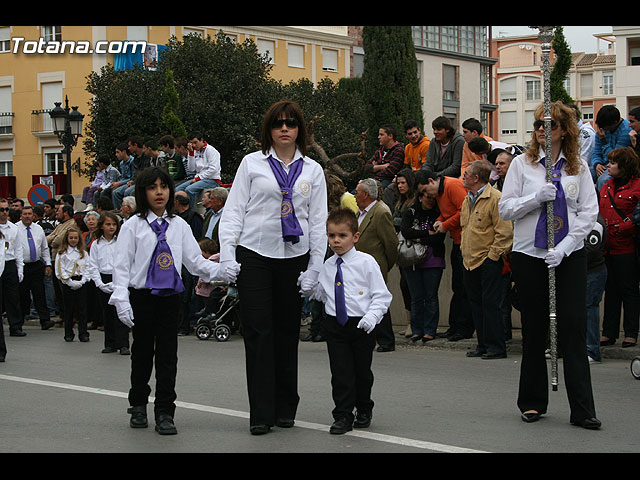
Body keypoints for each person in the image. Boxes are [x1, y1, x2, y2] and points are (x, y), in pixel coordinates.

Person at [219, 100, 327, 435]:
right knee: (258, 333)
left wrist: (314, 268)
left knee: (286, 333)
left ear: (299, 130)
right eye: (278, 123)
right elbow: (235, 211)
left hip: (294, 259)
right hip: (256, 254)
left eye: (291, 123)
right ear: (269, 129)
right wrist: (226, 253)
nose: (284, 128)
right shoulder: (252, 164)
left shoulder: (312, 170)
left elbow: (319, 222)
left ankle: (285, 407)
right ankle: (260, 413)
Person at [499, 101, 601, 429]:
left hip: (568, 257)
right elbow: (506, 209)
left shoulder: (578, 168)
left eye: (552, 125)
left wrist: (569, 245)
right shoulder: (521, 165)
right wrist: (535, 198)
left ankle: (583, 409)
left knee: (572, 328)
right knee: (534, 329)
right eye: (539, 125)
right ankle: (531, 401)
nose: (544, 130)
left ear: (564, 130)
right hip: (530, 255)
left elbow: (589, 212)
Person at [109, 166, 223, 436]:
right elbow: (122, 266)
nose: (159, 192)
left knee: (168, 356)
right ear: (142, 192)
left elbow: (195, 262)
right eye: (152, 187)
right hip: (143, 296)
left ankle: (164, 411)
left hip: (170, 296)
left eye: (163, 186)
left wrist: (225, 270)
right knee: (142, 353)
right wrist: (121, 298)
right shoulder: (133, 226)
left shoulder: (179, 225)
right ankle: (138, 404)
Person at [310, 208, 392, 434]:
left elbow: (381, 296)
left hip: (361, 324)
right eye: (331, 236)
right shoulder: (328, 265)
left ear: (355, 237)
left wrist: (372, 317)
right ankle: (343, 415)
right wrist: (310, 288)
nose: (336, 241)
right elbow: (326, 294)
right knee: (341, 372)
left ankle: (364, 407)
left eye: (342, 236)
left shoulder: (367, 263)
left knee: (361, 372)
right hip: (335, 325)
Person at [460, 161, 513, 359]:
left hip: (488, 260)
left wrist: (493, 257)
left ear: (476, 178)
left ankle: (496, 346)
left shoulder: (495, 198)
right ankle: (482, 344)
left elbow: (505, 232)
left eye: (466, 174)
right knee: (476, 304)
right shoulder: (467, 199)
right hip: (469, 260)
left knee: (491, 304)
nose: (463, 177)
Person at [416, 171, 473, 341]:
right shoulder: (440, 191)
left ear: (432, 180)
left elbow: (465, 211)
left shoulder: (452, 185)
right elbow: (448, 212)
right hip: (456, 241)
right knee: (457, 287)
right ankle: (454, 326)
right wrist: (440, 220)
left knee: (463, 288)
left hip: (465, 241)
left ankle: (464, 328)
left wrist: (445, 224)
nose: (427, 195)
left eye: (426, 190)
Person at [598, 147, 640, 349]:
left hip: (627, 246)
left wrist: (625, 227)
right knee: (611, 290)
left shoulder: (637, 187)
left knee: (629, 290)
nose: (608, 165)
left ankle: (631, 333)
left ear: (623, 166)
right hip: (607, 247)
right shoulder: (605, 187)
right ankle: (609, 332)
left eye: (613, 163)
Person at [354, 178, 398, 352]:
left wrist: (385, 265)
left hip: (375, 265)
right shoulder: (360, 212)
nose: (354, 195)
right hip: (360, 267)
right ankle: (371, 336)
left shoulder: (380, 212)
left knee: (378, 302)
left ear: (366, 194)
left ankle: (386, 339)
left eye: (357, 192)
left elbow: (391, 244)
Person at [399, 188, 446, 343]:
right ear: (420, 197)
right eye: (428, 197)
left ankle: (430, 330)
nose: (431, 200)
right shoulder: (411, 212)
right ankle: (417, 329)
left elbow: (438, 238)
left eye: (433, 198)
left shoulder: (439, 214)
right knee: (416, 296)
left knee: (430, 296)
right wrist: (426, 234)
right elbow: (405, 232)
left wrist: (417, 237)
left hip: (434, 260)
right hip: (412, 260)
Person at [89, 211, 129, 355]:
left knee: (121, 311)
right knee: (107, 313)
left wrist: (120, 281)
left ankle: (123, 344)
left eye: (113, 224)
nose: (111, 227)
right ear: (102, 226)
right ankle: (110, 343)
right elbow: (93, 265)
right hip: (103, 278)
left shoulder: (121, 242)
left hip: (119, 278)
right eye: (108, 224)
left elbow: (125, 262)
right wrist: (99, 283)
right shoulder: (96, 244)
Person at [17, 206, 55, 331]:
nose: (27, 216)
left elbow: (44, 248)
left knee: (40, 293)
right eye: (25, 214)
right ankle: (19, 321)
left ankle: (45, 320)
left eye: (29, 214)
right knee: (22, 295)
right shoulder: (15, 229)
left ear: (33, 215)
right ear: (21, 216)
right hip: (22, 266)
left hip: (37, 265)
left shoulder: (38, 229)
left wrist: (48, 264)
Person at [391, 169, 416, 338]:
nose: (400, 186)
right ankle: (409, 323)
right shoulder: (399, 202)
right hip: (400, 248)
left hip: (412, 248)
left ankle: (414, 324)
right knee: (403, 285)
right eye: (398, 183)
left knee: (411, 286)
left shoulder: (415, 202)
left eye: (403, 182)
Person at [55, 226, 90, 342]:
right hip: (68, 282)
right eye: (71, 238)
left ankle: (83, 333)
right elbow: (59, 270)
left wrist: (82, 281)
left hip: (81, 282)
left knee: (82, 309)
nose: (73, 240)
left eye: (75, 238)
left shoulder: (83, 253)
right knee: (68, 309)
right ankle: (68, 333)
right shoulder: (62, 254)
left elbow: (88, 268)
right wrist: (69, 282)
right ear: (67, 239)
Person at [591, 105, 633, 191]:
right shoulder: (602, 129)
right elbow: (596, 152)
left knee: (603, 180)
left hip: (617, 166)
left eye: (605, 126)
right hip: (603, 165)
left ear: (615, 122)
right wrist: (597, 164)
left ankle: (603, 203)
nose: (603, 129)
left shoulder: (626, 130)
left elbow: (615, 157)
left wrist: (603, 141)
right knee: (583, 174)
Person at [176, 133, 223, 208]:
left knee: (189, 190)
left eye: (195, 142)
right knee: (177, 190)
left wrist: (198, 178)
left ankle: (190, 213)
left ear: (201, 140)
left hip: (212, 179)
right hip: (199, 179)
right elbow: (191, 169)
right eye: (192, 143)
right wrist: (191, 153)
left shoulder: (211, 150)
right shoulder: (195, 151)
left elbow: (213, 169)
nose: (194, 145)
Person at [0, 198, 24, 336]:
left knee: (13, 297)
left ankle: (15, 326)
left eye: (6, 209)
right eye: (1, 209)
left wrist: (19, 268)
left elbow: (18, 249)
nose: (4, 212)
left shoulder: (14, 228)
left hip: (10, 263)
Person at [585, 215, 607, 363]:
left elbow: (591, 249)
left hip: (593, 272)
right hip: (585, 272)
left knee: (590, 308)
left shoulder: (595, 222)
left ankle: (592, 350)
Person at [111, 136, 150, 210]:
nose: (128, 148)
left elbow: (144, 172)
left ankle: (130, 211)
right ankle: (120, 210)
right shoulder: (136, 158)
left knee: (128, 192)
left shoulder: (145, 156)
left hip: (142, 182)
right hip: (134, 181)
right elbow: (136, 173)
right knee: (114, 191)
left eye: (129, 146)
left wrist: (133, 182)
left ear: (135, 145)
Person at [363, 125, 405, 189]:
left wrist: (374, 168)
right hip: (376, 180)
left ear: (390, 136)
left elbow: (390, 172)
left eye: (381, 135)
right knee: (354, 193)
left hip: (388, 182)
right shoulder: (380, 151)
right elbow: (366, 167)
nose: (378, 137)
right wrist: (383, 166)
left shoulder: (398, 151)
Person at [111, 143, 135, 209]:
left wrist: (119, 183)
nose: (116, 155)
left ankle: (120, 210)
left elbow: (132, 177)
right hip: (124, 182)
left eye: (118, 152)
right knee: (110, 190)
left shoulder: (132, 161)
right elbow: (123, 177)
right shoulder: (121, 163)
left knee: (116, 192)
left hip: (130, 182)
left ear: (124, 152)